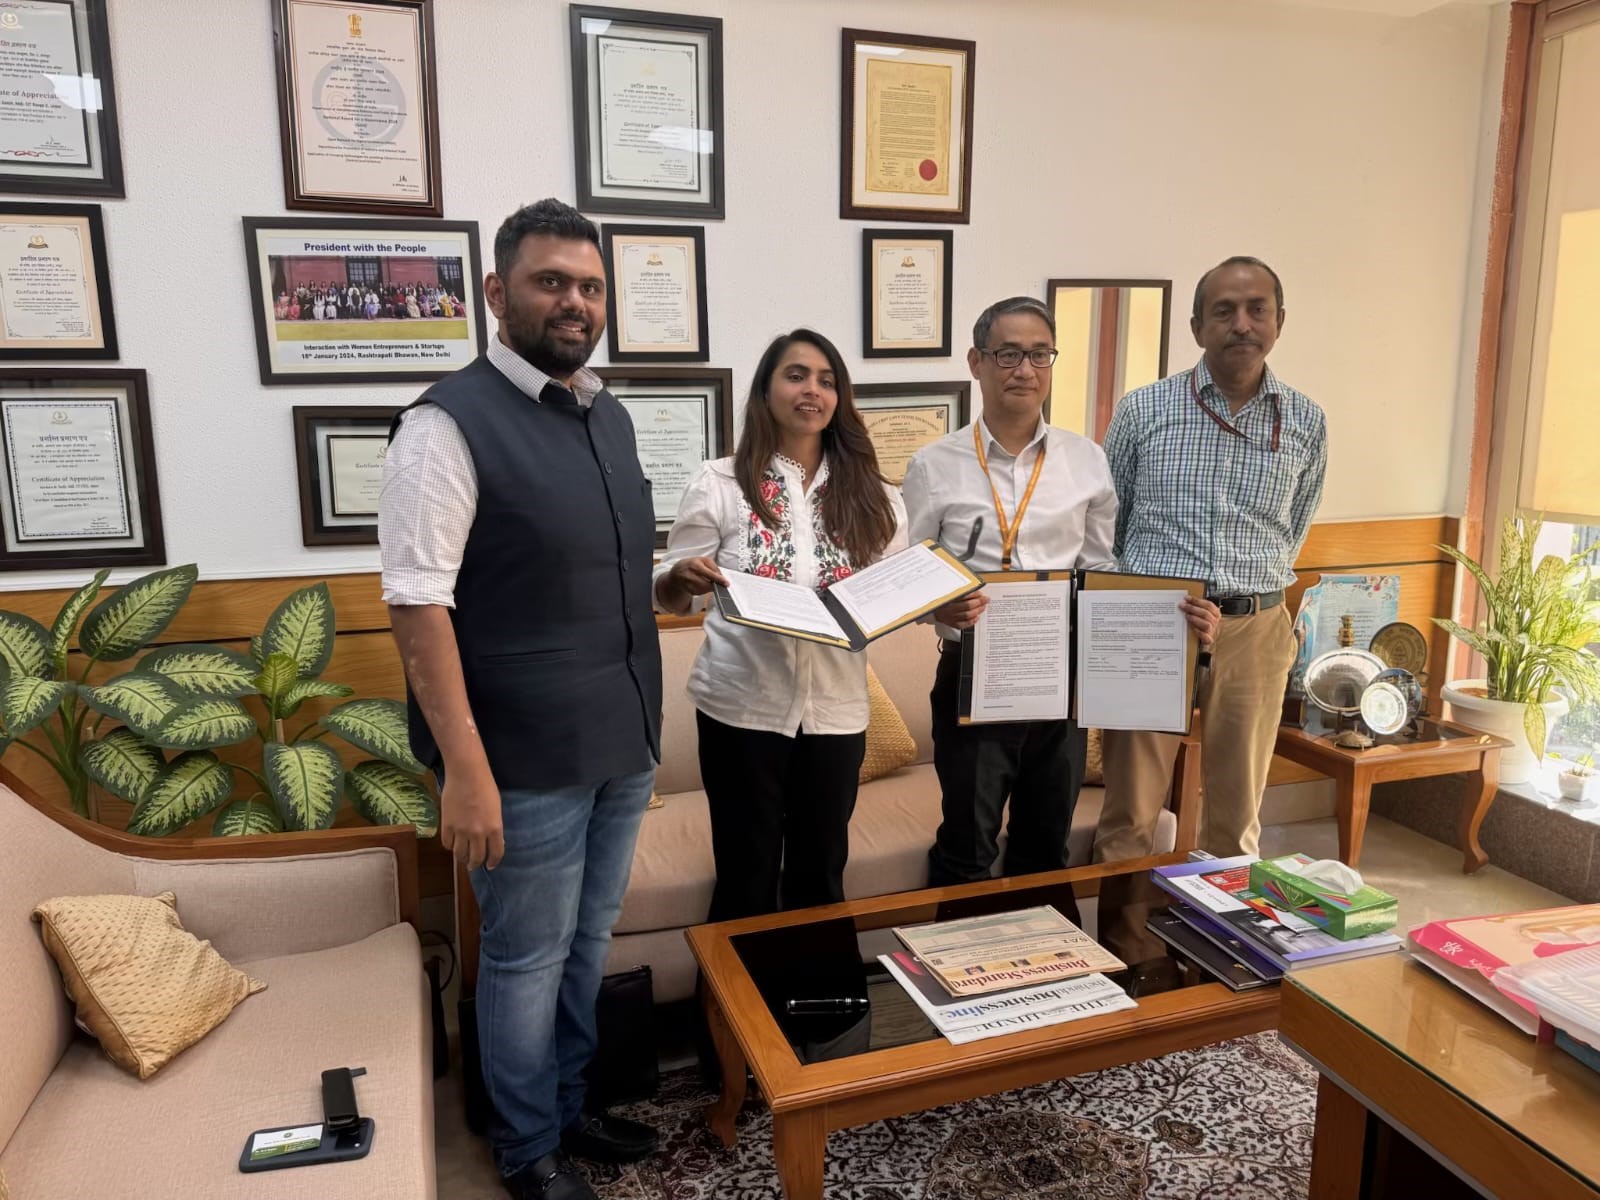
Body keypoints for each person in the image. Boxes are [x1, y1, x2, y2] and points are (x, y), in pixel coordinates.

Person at [380, 198, 662, 1200]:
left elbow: (587, 565)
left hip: (620, 743)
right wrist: (464, 769)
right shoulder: (444, 424)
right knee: (524, 958)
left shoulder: (605, 411)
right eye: (551, 282)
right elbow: (418, 605)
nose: (574, 302)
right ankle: (526, 1150)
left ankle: (570, 1102)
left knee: (587, 944)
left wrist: (667, 588)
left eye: (588, 285)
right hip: (521, 759)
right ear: (497, 292)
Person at [903, 297, 1218, 895]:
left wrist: (1177, 623)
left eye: (1039, 354)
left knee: (1045, 841)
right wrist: (936, 608)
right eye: (1008, 353)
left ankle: (1045, 980)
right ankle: (964, 975)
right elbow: (916, 576)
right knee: (967, 842)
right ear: (977, 361)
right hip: (974, 676)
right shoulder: (933, 464)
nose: (1025, 368)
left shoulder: (1086, 460)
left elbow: (1101, 568)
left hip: (1061, 681)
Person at [654, 329, 905, 920]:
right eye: (795, 375)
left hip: (836, 712)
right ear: (766, 391)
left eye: (826, 380)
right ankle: (731, 1012)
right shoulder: (720, 483)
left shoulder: (876, 495)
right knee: (746, 875)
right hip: (741, 708)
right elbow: (665, 591)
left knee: (820, 873)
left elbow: (894, 589)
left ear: (840, 397)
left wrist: (935, 601)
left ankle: (815, 1012)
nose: (811, 390)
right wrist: (682, 576)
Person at [1096, 255, 1326, 882]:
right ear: (1197, 326)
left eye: (1258, 309)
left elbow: (1293, 530)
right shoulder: (1144, 410)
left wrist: (1242, 599)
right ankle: (1126, 954)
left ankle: (1221, 960)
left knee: (1236, 818)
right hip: (1152, 622)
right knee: (1129, 817)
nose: (1242, 323)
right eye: (1223, 310)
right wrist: (1157, 593)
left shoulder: (1305, 421)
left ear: (1280, 321)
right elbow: (1109, 522)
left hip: (1254, 627)